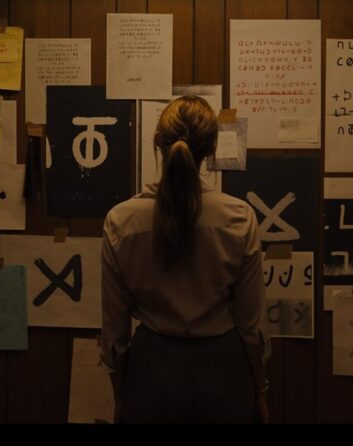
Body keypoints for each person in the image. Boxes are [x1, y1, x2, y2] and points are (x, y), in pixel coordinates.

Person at [100, 96, 271, 423]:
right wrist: (260, 390)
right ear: (212, 148)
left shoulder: (121, 221)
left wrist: (120, 396)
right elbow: (252, 326)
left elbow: (114, 333)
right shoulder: (239, 218)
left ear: (157, 141)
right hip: (224, 370)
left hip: (151, 372)